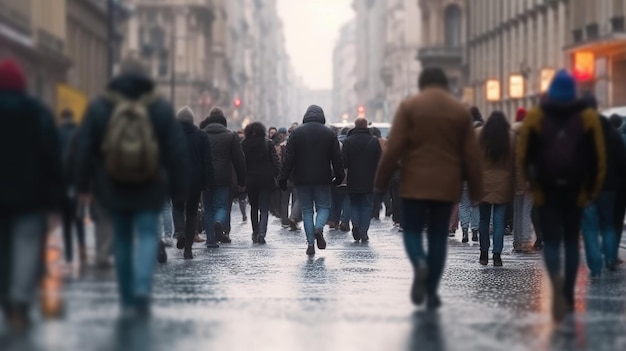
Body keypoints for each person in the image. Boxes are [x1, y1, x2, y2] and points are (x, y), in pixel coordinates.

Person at [76, 58, 188, 317]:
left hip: (112, 182)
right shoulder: (159, 107)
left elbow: (85, 147)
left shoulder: (101, 106)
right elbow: (176, 150)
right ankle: (141, 290)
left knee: (123, 237)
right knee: (148, 234)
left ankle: (127, 296)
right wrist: (180, 186)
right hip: (150, 182)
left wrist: (82, 183)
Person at [375, 68, 483, 309]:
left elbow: (392, 150)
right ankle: (432, 291)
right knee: (437, 237)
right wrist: (476, 189)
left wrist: (381, 183)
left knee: (412, 231)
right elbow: (471, 155)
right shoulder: (459, 111)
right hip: (446, 183)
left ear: (422, 84)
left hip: (413, 181)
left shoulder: (409, 107)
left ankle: (419, 265)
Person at [518, 69, 606, 321]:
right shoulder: (588, 118)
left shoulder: (535, 117)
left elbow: (524, 155)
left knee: (553, 242)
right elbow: (598, 158)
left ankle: (556, 288)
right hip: (576, 192)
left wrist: (532, 184)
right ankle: (568, 293)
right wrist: (592, 190)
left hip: (546, 191)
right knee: (570, 242)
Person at [0, 58, 64, 330]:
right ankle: (20, 301)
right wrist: (56, 202)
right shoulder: (38, 112)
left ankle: (6, 298)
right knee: (26, 250)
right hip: (31, 198)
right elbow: (52, 159)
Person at [279, 105, 344, 255]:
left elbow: (289, 158)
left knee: (307, 210)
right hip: (323, 178)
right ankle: (319, 228)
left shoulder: (296, 133)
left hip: (302, 178)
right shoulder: (329, 133)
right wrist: (339, 176)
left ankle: (310, 244)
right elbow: (337, 158)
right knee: (323, 207)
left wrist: (283, 178)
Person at [580, 94, 626, 275]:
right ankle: (610, 258)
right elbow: (622, 163)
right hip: (609, 187)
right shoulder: (612, 133)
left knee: (590, 227)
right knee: (608, 224)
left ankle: (595, 265)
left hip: (588, 188)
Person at [172, 106, 213, 259]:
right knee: (191, 212)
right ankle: (188, 248)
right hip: (195, 180)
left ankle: (180, 231)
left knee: (177, 207)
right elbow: (207, 160)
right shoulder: (201, 136)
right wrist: (208, 181)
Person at [202, 108, 247, 246]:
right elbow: (239, 160)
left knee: (208, 207)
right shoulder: (231, 135)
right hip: (223, 177)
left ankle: (211, 240)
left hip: (205, 177)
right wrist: (242, 181)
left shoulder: (202, 135)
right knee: (221, 206)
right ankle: (219, 222)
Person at [477, 111, 515, 266]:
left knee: (484, 220)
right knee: (499, 220)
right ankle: (497, 255)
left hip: (483, 183)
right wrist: (519, 185)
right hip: (503, 183)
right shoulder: (511, 137)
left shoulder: (479, 135)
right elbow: (516, 163)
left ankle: (483, 254)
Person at [342, 118, 381, 242]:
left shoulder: (348, 141)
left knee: (354, 204)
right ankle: (364, 231)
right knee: (367, 205)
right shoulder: (374, 141)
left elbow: (344, 163)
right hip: (370, 179)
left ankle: (356, 225)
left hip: (353, 178)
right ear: (366, 126)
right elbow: (379, 161)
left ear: (355, 126)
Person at [242, 122, 280, 244]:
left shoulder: (244, 143)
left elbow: (241, 162)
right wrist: (275, 174)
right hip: (265, 179)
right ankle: (262, 233)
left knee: (253, 207)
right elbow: (275, 161)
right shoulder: (267, 142)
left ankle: (255, 231)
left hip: (250, 179)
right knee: (264, 208)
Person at [57, 109, 87, 263]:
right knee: (79, 218)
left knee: (66, 221)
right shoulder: (78, 134)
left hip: (62, 182)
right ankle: (82, 249)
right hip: (77, 181)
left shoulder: (57, 132)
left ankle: (69, 254)